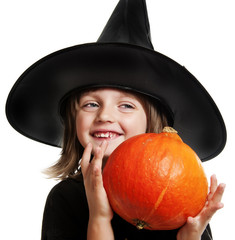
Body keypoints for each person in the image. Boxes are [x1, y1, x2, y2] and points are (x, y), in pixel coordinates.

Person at [5, 0, 226, 239]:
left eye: (126, 105)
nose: (105, 116)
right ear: (73, 119)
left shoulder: (183, 202)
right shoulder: (66, 198)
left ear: (154, 124)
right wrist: (99, 217)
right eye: (91, 104)